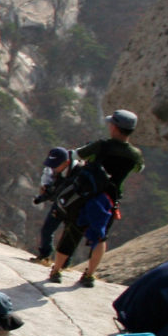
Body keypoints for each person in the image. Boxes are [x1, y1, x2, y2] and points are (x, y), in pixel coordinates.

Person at [50, 110, 145, 287]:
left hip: (86, 195)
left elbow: (75, 155)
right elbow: (139, 169)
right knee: (100, 237)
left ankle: (56, 271)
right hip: (109, 200)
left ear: (115, 127)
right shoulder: (135, 154)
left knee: (72, 232)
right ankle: (89, 275)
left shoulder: (102, 146)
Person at [30, 147, 73, 262]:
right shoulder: (51, 168)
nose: (52, 167)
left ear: (66, 163)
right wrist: (46, 190)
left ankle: (64, 264)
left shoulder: (77, 171)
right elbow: (45, 183)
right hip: (59, 203)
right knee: (47, 229)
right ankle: (45, 256)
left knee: (69, 235)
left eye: (55, 165)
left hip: (73, 204)